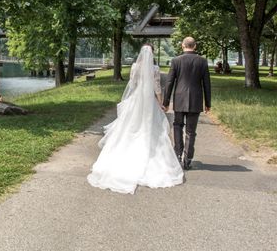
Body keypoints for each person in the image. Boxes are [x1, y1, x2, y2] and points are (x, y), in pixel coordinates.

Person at [87, 44, 184, 194]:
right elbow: (157, 87)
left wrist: (130, 98)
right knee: (150, 126)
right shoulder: (155, 69)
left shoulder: (134, 67)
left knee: (131, 125)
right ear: (152, 54)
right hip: (149, 101)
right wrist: (161, 103)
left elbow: (132, 84)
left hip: (136, 99)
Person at [163, 36, 211, 170]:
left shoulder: (176, 60)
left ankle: (177, 154)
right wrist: (208, 102)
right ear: (194, 46)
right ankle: (188, 159)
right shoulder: (202, 61)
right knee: (191, 131)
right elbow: (206, 83)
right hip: (195, 100)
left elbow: (169, 82)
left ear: (183, 46)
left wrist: (166, 102)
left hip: (179, 99)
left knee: (177, 126)